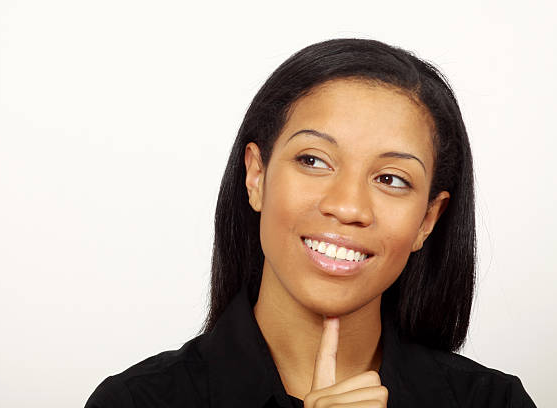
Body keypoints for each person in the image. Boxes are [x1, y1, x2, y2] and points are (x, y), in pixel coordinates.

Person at [84, 39, 537, 407]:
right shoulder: (136, 401)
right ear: (256, 176)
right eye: (314, 160)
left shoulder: (495, 401)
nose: (348, 206)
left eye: (391, 178)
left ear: (427, 220)